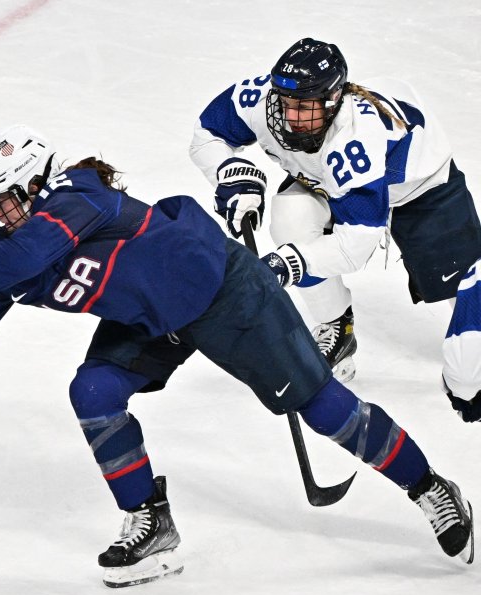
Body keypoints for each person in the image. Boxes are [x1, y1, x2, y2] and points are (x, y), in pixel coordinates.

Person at [0, 124, 474, 587]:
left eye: (10, 199)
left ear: (38, 183)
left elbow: (19, 261)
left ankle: (430, 488)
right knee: (94, 392)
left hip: (223, 290)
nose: (1, 214)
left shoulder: (73, 198)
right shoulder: (9, 252)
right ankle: (150, 521)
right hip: (149, 317)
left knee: (326, 406)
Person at [189, 38, 481, 422]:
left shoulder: (354, 140)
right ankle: (336, 328)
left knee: (469, 308)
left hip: (421, 188)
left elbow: (357, 244)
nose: (291, 117)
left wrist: (286, 264)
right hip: (326, 182)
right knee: (290, 217)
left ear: (333, 100)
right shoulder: (259, 98)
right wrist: (231, 173)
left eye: (304, 107)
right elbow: (206, 134)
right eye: (286, 103)